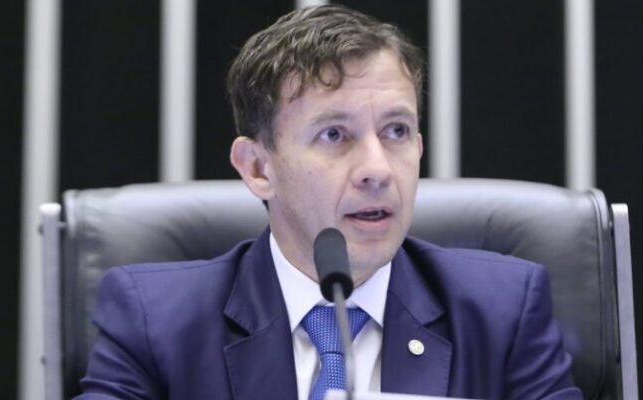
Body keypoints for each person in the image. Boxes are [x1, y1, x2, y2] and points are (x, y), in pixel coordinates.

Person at [75, 5, 581, 400]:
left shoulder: (502, 312)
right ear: (258, 168)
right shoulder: (156, 322)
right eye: (334, 134)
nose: (378, 169)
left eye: (396, 131)